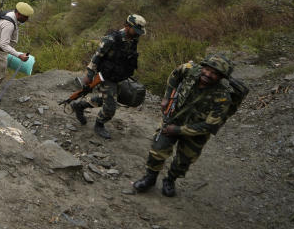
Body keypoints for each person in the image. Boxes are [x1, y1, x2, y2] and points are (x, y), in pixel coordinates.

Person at [133, 54, 235, 197]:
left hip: (196, 131)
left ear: (220, 77)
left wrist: (178, 130)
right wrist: (167, 96)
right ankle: (150, 178)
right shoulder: (190, 69)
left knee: (184, 161)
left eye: (214, 73)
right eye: (207, 69)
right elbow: (175, 74)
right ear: (203, 66)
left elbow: (209, 126)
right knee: (158, 149)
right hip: (174, 118)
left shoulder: (222, 97)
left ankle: (170, 180)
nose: (208, 74)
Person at [70, 13, 146, 139]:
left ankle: (79, 106)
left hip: (120, 75)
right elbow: (97, 56)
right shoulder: (111, 39)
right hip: (106, 75)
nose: (138, 33)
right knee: (111, 106)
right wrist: (89, 74)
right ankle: (99, 124)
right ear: (127, 26)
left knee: (105, 99)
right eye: (135, 30)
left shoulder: (134, 39)